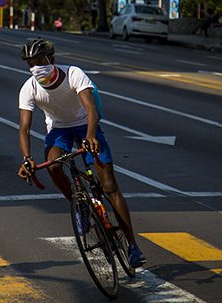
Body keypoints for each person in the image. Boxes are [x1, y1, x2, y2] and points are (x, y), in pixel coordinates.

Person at [16, 38, 146, 268]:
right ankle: (81, 208)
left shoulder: (74, 73)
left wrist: (91, 135)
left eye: (39, 61)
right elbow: (24, 128)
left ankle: (133, 245)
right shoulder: (29, 88)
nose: (35, 68)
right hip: (59, 130)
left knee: (109, 186)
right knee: (54, 166)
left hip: (86, 125)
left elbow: (91, 109)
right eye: (30, 64)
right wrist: (26, 159)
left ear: (51, 60)